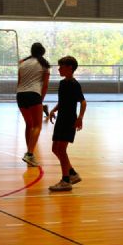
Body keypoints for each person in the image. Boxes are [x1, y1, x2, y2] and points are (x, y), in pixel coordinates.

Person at [47, 56, 87, 192]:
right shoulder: (62, 83)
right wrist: (53, 110)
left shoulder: (74, 84)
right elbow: (62, 102)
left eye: (61, 66)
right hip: (61, 119)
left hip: (69, 120)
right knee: (55, 149)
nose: (59, 69)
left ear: (70, 68)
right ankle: (72, 173)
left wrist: (80, 118)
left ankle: (65, 180)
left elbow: (83, 102)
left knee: (62, 150)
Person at [17, 42, 50, 167]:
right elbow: (45, 85)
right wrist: (40, 99)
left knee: (29, 125)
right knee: (37, 126)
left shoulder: (23, 63)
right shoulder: (44, 64)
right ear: (42, 52)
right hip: (34, 94)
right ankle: (30, 154)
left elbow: (19, 81)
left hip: (20, 95)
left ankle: (30, 153)